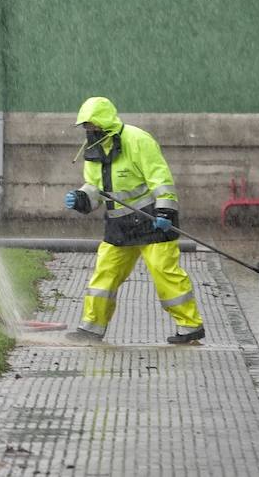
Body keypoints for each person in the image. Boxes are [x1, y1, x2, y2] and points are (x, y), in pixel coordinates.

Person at [63, 96, 205, 344]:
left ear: (103, 124)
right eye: (85, 127)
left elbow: (160, 179)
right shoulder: (93, 150)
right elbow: (96, 189)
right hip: (119, 226)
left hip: (152, 222)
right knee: (104, 275)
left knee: (165, 273)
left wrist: (165, 213)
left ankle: (190, 326)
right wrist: (82, 198)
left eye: (91, 126)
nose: (89, 131)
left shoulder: (138, 140)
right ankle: (91, 328)